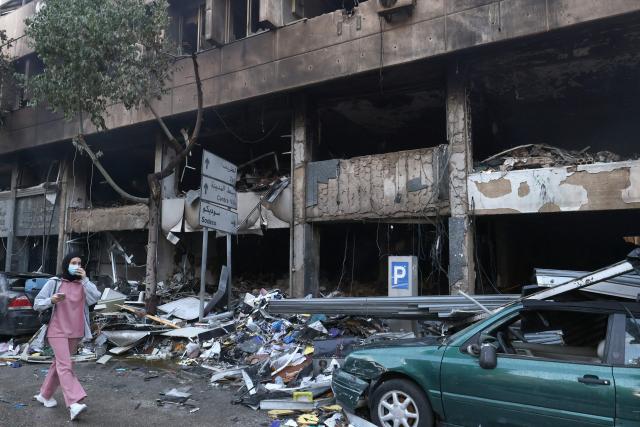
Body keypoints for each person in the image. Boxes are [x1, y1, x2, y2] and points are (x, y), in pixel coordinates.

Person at [33, 253, 101, 421]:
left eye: (79, 263)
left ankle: (45, 394)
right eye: (73, 262)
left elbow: (96, 298)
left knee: (58, 365)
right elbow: (37, 303)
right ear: (66, 264)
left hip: (75, 331)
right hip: (57, 330)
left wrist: (85, 280)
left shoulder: (82, 285)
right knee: (65, 365)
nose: (77, 265)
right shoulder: (54, 283)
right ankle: (74, 402)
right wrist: (52, 299)